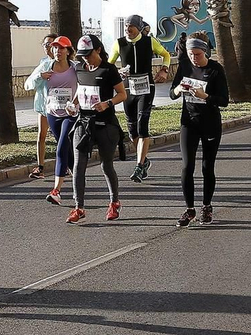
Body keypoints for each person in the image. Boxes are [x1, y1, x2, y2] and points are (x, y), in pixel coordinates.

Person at [66, 34, 127, 224]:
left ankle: (114, 202)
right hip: (83, 123)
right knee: (78, 166)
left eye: (88, 54)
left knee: (106, 164)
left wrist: (107, 103)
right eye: (82, 55)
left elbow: (122, 94)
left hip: (105, 124)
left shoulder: (109, 70)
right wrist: (73, 104)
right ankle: (79, 207)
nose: (85, 58)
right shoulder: (79, 69)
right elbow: (81, 90)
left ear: (98, 50)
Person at [171, 34, 230, 226]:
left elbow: (224, 101)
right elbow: (172, 93)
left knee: (207, 167)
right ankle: (189, 209)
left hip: (210, 123)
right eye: (190, 54)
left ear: (205, 51)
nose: (194, 58)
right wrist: (178, 90)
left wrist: (206, 96)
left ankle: (207, 206)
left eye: (197, 54)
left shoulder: (215, 69)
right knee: (187, 167)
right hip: (189, 122)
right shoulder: (185, 67)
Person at [110, 15, 171, 182]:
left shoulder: (149, 41)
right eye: (126, 27)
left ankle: (138, 165)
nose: (128, 30)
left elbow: (166, 55)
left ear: (139, 27)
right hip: (128, 89)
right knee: (132, 130)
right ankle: (144, 160)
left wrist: (164, 70)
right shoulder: (119, 43)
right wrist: (116, 73)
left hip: (146, 87)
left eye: (131, 27)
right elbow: (109, 65)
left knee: (143, 124)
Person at [37, 36, 79, 206]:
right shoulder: (46, 66)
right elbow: (29, 83)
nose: (57, 51)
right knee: (68, 154)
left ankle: (56, 191)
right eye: (55, 48)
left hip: (70, 114)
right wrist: (40, 76)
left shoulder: (75, 68)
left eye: (61, 48)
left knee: (61, 146)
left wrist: (75, 103)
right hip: (53, 114)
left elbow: (86, 85)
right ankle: (78, 181)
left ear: (68, 51)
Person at [23, 34, 60, 179]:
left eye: (50, 44)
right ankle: (40, 167)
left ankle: (65, 164)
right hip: (45, 106)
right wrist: (41, 76)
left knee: (61, 137)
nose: (47, 47)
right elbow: (29, 83)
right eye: (45, 44)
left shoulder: (66, 64)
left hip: (61, 107)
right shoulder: (43, 63)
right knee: (41, 136)